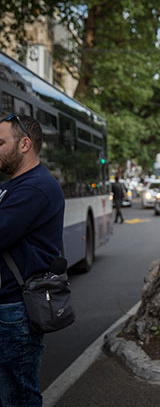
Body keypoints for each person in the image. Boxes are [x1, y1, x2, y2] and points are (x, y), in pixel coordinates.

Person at [0, 114, 65, 406]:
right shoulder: (16, 185)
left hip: (15, 311)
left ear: (25, 144)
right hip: (9, 307)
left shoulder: (35, 187)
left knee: (18, 396)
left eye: (0, 142)